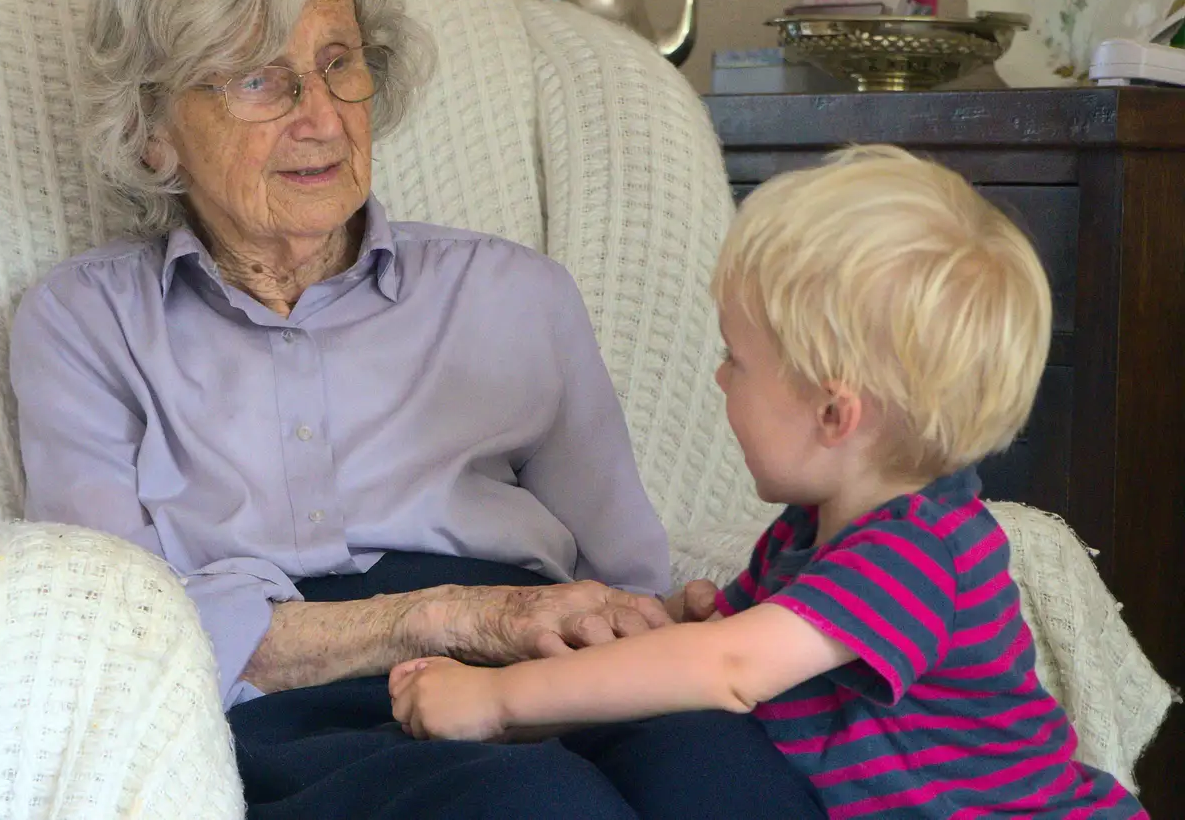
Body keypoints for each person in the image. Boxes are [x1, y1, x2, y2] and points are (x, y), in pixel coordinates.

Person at [9, 0, 828, 818]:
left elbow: (622, 572)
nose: (319, 117)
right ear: (154, 134)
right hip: (292, 705)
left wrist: (653, 624)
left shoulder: (513, 293)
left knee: (731, 779)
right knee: (532, 804)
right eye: (256, 79)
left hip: (549, 664)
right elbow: (112, 634)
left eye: (338, 63)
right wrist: (433, 621)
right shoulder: (84, 323)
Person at [390, 146, 1148, 818]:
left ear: (832, 411)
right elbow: (695, 666)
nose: (718, 378)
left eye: (736, 360)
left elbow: (727, 671)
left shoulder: (919, 551)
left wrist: (495, 703)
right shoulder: (808, 532)